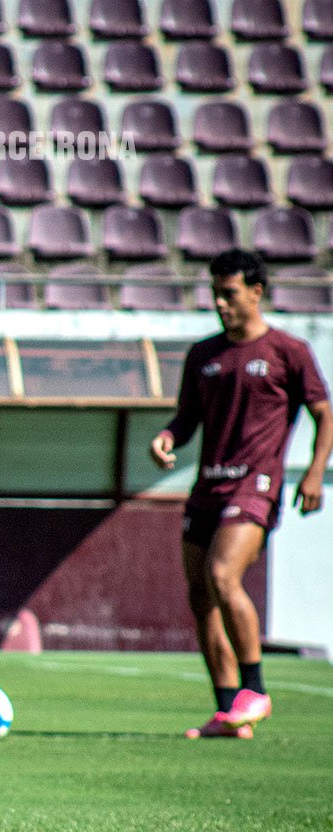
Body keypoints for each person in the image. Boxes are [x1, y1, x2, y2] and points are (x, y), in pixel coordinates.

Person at [152, 249, 330, 738]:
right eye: (214, 293)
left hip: (256, 485)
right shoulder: (204, 355)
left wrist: (315, 471)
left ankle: (256, 690)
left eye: (229, 293)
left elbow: (324, 413)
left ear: (257, 291)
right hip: (207, 485)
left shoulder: (287, 351)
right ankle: (230, 712)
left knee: (223, 574)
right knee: (200, 596)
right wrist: (168, 438)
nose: (219, 303)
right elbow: (186, 419)